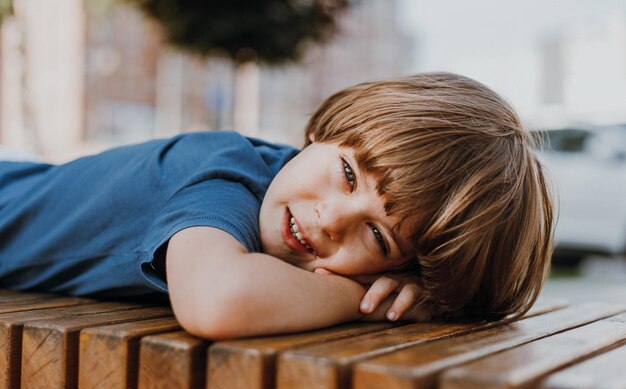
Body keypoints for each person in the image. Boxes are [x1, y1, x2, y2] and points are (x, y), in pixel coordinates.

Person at [0, 72, 554, 340]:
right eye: (346, 173)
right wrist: (356, 294)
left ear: (400, 271)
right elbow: (217, 303)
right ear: (321, 131)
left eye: (378, 237)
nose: (332, 218)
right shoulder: (222, 172)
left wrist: (428, 295)